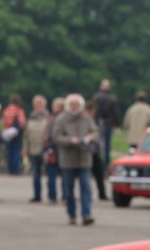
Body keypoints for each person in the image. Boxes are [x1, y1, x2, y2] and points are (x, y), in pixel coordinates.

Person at [52, 93, 97, 226]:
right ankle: (71, 214)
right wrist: (71, 140)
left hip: (84, 158)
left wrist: (89, 138)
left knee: (86, 187)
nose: (74, 107)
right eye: (72, 104)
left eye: (77, 104)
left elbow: (95, 132)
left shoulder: (87, 118)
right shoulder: (61, 119)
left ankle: (86, 214)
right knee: (68, 189)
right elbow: (56, 137)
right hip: (68, 159)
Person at [25, 95, 56, 203]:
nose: (38, 106)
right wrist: (25, 148)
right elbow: (26, 136)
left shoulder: (50, 118)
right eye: (36, 104)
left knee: (50, 174)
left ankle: (52, 196)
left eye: (40, 104)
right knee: (35, 175)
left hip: (46, 150)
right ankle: (37, 195)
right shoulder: (30, 118)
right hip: (33, 149)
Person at [85, 99, 109, 203]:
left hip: (96, 150)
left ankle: (102, 193)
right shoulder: (84, 121)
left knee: (99, 173)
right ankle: (88, 194)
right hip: (87, 150)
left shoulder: (98, 120)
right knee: (86, 174)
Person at [91, 79, 119, 159]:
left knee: (97, 142)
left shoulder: (96, 97)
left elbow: (93, 110)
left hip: (97, 122)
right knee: (107, 143)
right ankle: (106, 161)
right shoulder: (112, 98)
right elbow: (115, 112)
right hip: (107, 122)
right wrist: (116, 124)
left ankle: (98, 159)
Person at [3, 93, 26, 176]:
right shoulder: (19, 110)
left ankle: (9, 169)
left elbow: (4, 122)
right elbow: (22, 123)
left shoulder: (6, 110)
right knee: (16, 151)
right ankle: (15, 170)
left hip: (8, 132)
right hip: (17, 133)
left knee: (9, 151)